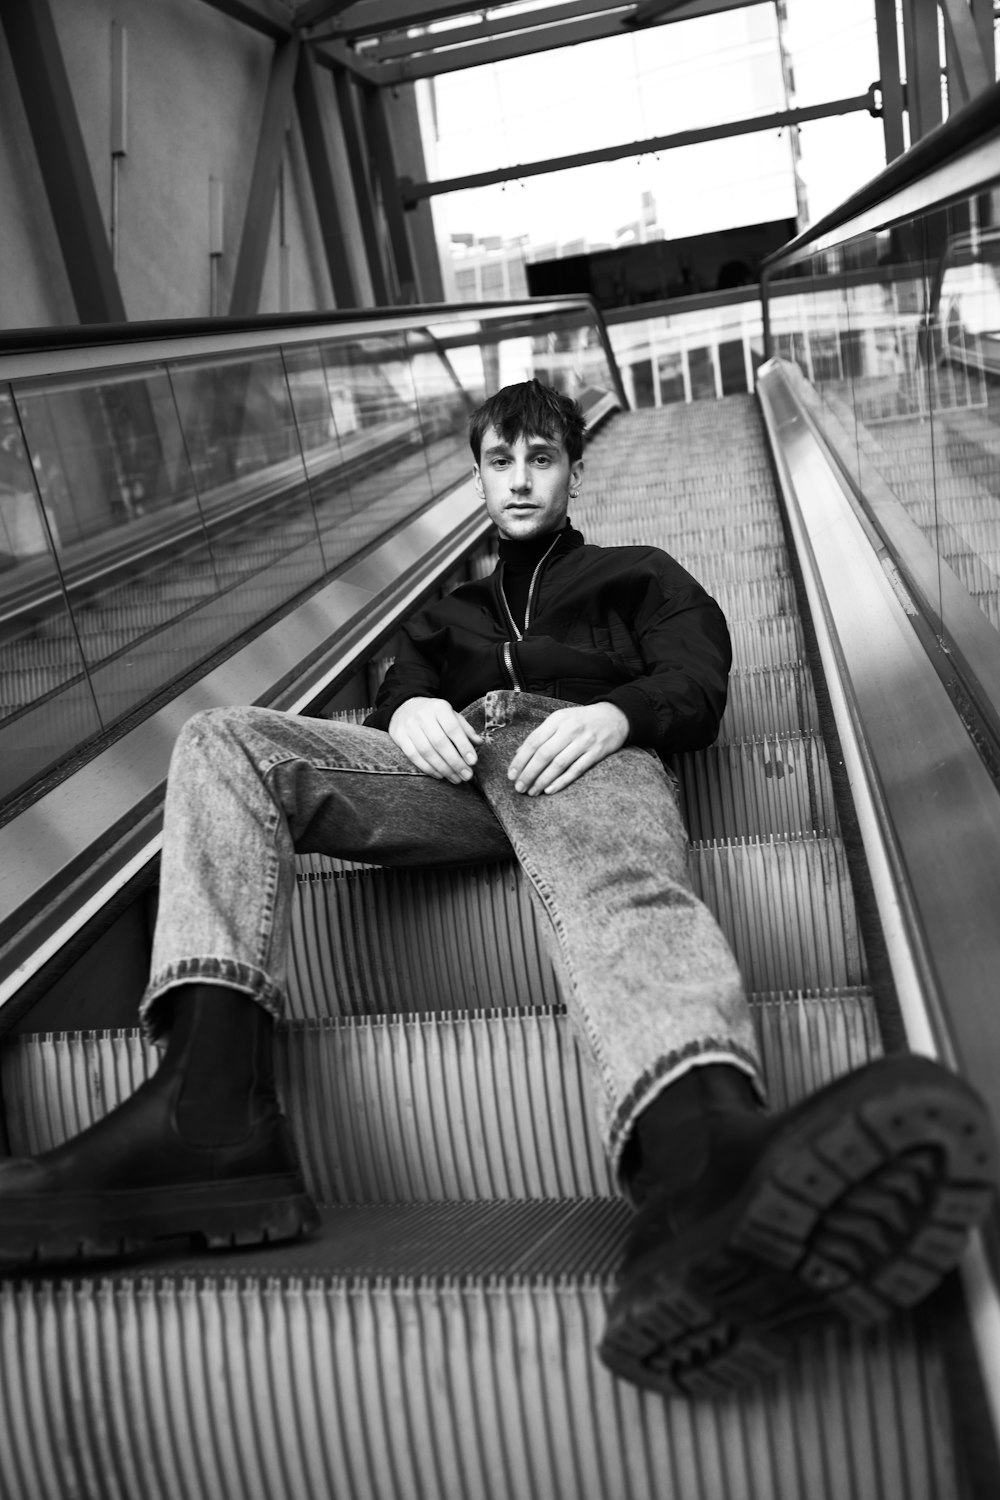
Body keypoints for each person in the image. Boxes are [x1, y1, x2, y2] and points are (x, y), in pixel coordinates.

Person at [0, 380, 993, 1398]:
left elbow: (695, 681)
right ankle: (207, 1111)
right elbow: (393, 686)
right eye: (498, 460)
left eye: (541, 459)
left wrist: (616, 717)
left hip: (576, 756)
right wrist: (413, 701)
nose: (519, 478)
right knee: (224, 743)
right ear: (478, 472)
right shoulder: (440, 615)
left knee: (621, 883)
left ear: (572, 468)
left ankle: (699, 1163)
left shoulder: (637, 575)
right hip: (449, 779)